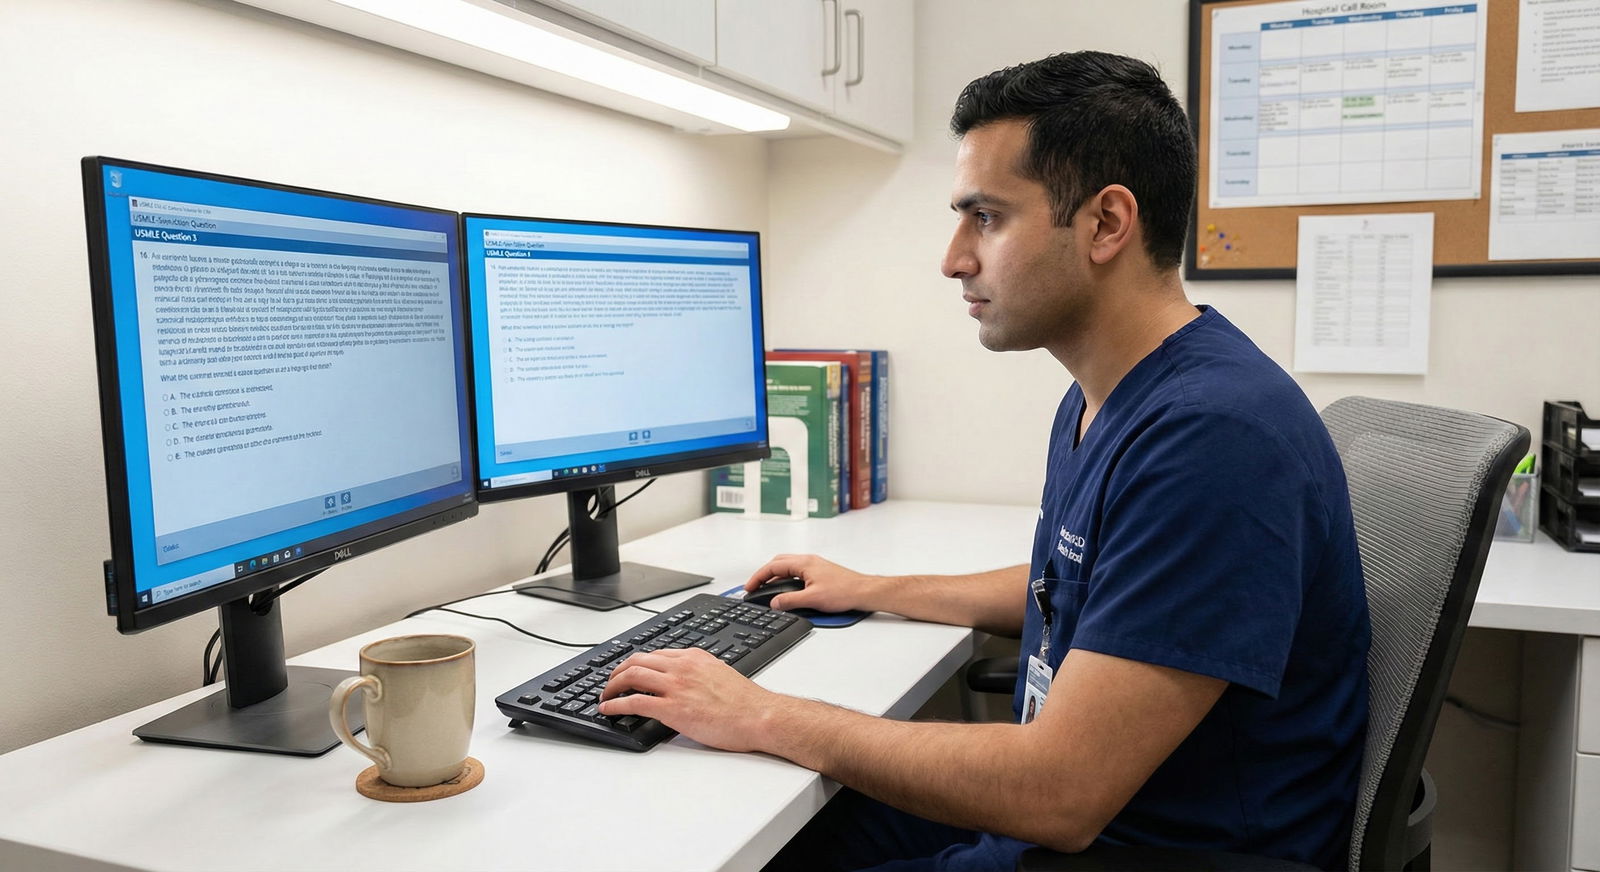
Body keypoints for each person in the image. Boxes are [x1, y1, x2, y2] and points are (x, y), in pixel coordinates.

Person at [600, 50, 1369, 871]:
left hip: (1149, 841)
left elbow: (1061, 793)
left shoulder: (1214, 438)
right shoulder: (1107, 394)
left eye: (987, 218)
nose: (954, 257)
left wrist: (762, 713)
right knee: (760, 830)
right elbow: (1094, 590)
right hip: (1090, 813)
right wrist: (873, 590)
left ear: (1108, 223)